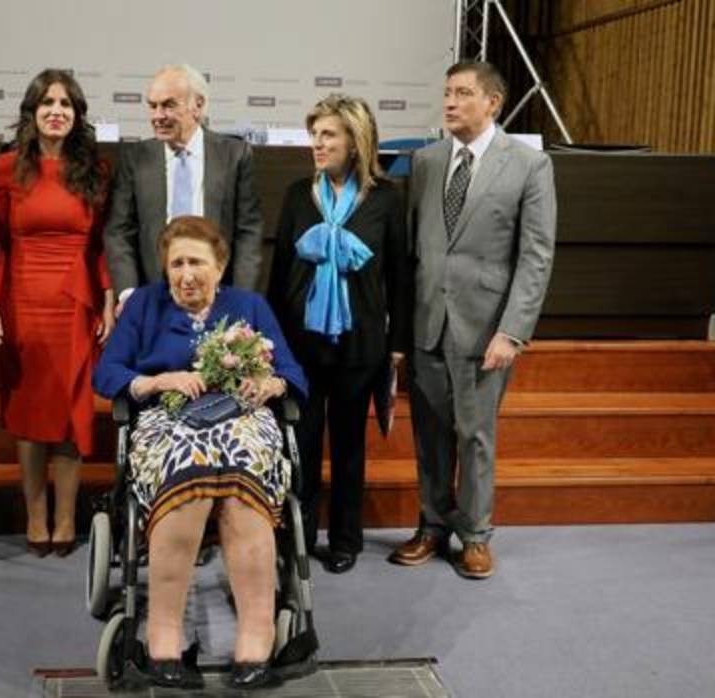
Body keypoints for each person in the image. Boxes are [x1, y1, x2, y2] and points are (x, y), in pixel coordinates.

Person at [93, 216, 307, 690]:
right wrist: (157, 380)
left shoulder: (248, 306)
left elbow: (293, 371)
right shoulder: (144, 306)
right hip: (166, 421)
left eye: (197, 262)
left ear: (221, 265)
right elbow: (106, 373)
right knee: (188, 480)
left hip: (242, 420)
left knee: (243, 493)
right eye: (177, 263)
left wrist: (270, 383)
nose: (186, 274)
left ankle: (258, 632)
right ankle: (163, 633)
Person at [388, 60, 556, 579]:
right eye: (446, 92)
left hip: (487, 330)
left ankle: (476, 534)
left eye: (462, 93)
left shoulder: (529, 165)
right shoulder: (427, 162)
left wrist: (513, 331)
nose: (450, 102)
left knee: (475, 434)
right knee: (430, 434)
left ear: (493, 102)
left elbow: (536, 256)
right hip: (427, 323)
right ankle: (433, 526)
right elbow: (413, 247)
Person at [267, 95, 410, 575]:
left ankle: (346, 540)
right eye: (315, 135)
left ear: (355, 140)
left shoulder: (388, 200)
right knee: (301, 445)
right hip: (301, 345)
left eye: (328, 134)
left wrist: (396, 346)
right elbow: (280, 269)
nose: (317, 144)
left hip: (359, 345)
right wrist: (272, 341)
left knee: (349, 448)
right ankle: (301, 536)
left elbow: (400, 277)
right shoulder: (295, 195)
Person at [0, 69, 114, 558]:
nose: (56, 110)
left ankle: (65, 520)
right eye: (47, 103)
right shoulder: (6, 168)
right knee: (30, 413)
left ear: (77, 114)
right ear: (32, 112)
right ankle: (36, 518)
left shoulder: (96, 170)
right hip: (23, 302)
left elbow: (102, 245)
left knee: (70, 413)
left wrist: (105, 297)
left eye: (66, 103)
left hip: (74, 303)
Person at [103, 63, 265, 307]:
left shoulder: (234, 155)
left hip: (218, 298)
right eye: (152, 106)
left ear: (197, 106)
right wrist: (129, 295)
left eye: (168, 105)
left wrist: (241, 298)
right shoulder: (135, 157)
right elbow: (118, 231)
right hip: (151, 299)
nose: (157, 116)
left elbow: (249, 233)